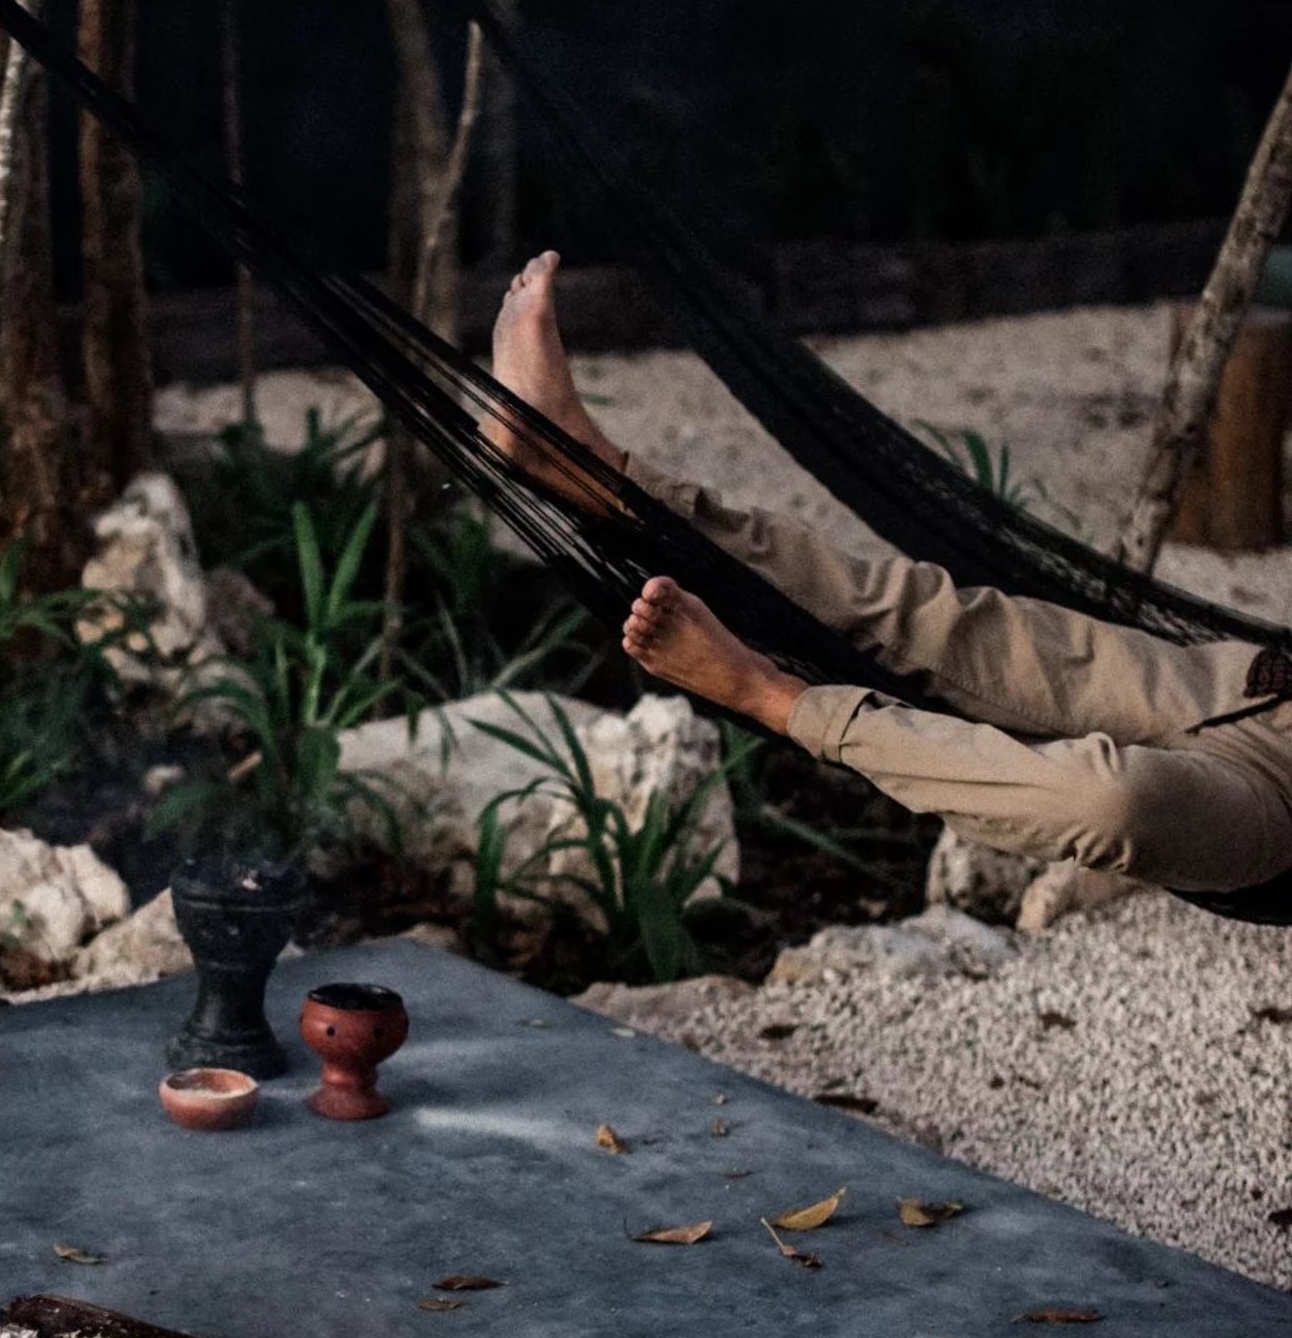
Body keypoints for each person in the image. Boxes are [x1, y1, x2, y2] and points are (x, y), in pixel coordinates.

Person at [489, 249, 1292, 898]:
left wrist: (780, 701)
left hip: (1273, 807)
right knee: (913, 616)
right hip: (1249, 687)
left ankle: (774, 698)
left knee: (1113, 803)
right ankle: (586, 469)